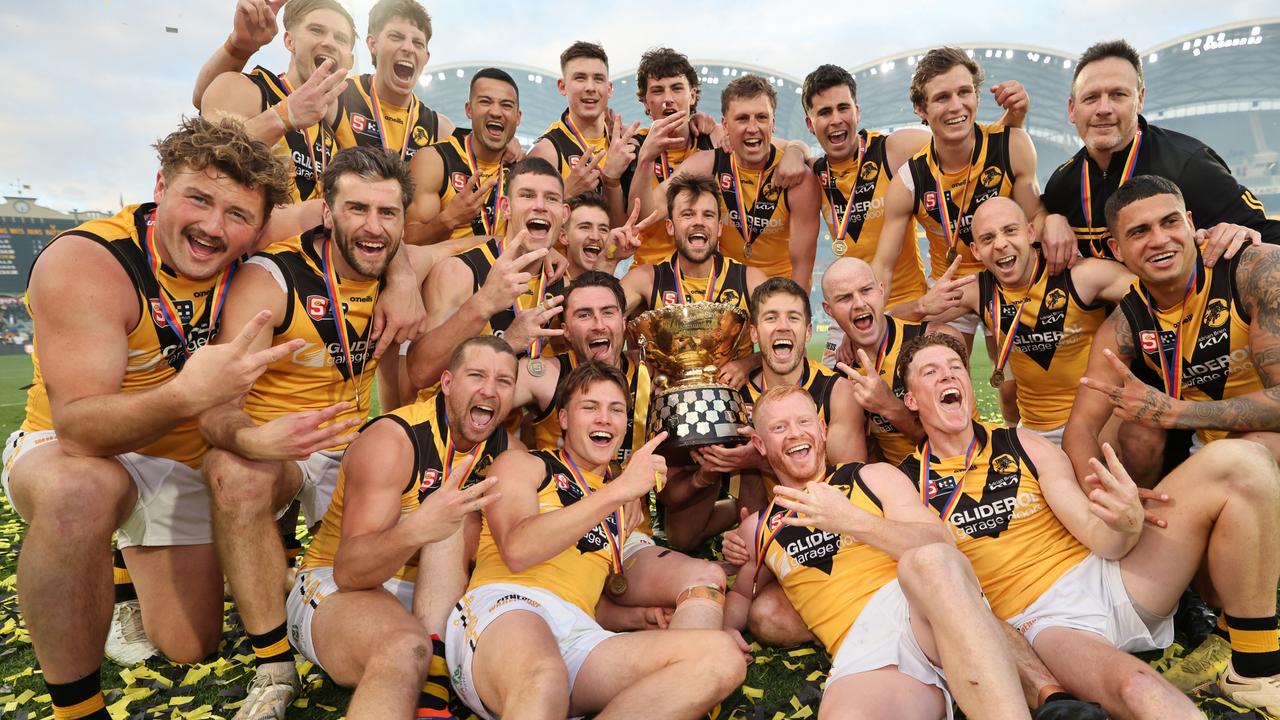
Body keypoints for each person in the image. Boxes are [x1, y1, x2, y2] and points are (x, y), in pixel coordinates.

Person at [0, 117, 296, 720]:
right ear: (160, 186)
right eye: (198, 198)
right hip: (79, 445)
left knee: (192, 646)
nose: (214, 227)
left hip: (179, 457)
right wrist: (185, 396)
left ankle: (128, 573)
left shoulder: (253, 240)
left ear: (258, 226)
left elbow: (358, 218)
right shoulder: (89, 259)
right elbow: (80, 428)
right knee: (83, 490)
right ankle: (78, 710)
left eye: (237, 215)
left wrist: (397, 274)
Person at [197, 146, 458, 716]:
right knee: (230, 472)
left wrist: (406, 273)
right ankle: (272, 662)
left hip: (354, 451)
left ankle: (301, 582)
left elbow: (459, 248)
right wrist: (252, 440)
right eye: (357, 209)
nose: (373, 225)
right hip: (281, 449)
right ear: (328, 213)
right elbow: (215, 410)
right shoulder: (272, 278)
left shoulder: (393, 259)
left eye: (387, 213)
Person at [898, 331, 1280, 717]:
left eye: (954, 368)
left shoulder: (1022, 444)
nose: (947, 376)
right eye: (930, 372)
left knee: (1243, 461)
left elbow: (1102, 539)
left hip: (1109, 574)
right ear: (911, 399)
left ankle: (1253, 667)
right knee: (1140, 689)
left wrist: (1126, 523)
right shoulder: (905, 484)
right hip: (1046, 621)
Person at [445, 363, 748, 720]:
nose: (604, 419)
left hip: (580, 631)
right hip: (507, 607)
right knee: (545, 679)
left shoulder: (620, 503)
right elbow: (517, 549)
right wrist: (619, 490)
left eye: (616, 410)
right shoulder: (525, 465)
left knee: (721, 657)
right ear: (563, 419)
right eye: (590, 408)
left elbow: (588, 590)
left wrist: (638, 617)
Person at [723, 386, 1031, 720]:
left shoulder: (870, 476)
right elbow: (741, 595)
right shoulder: (760, 527)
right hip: (863, 650)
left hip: (921, 613)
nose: (795, 433)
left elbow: (940, 543)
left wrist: (852, 520)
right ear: (760, 445)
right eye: (779, 428)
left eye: (803, 421)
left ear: (822, 430)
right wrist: (724, 630)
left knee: (931, 560)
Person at [286, 336, 513, 717]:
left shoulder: (508, 452)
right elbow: (350, 570)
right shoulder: (392, 441)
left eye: (504, 381)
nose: (489, 389)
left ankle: (436, 673)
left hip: (441, 595)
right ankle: (432, 681)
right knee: (406, 648)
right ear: (447, 383)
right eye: (476, 375)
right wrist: (418, 527)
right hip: (342, 584)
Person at [509, 273, 731, 633]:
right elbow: (474, 403)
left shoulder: (655, 378)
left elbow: (672, 490)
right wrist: (517, 453)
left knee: (707, 579)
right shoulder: (546, 376)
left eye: (608, 312)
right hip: (560, 529)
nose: (598, 324)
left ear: (624, 323)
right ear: (565, 329)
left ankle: (690, 661)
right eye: (583, 315)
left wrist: (703, 474)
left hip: (625, 539)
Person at [800, 63, 1028, 366]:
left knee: (979, 382)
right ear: (810, 123)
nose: (836, 119)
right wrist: (794, 149)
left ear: (857, 111)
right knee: (837, 394)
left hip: (915, 300)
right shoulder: (812, 174)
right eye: (824, 113)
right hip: (858, 308)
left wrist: (1014, 117)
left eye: (843, 108)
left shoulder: (894, 149)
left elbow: (967, 145)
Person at [1064, 175, 1280, 485]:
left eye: (1170, 222)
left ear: (1190, 224)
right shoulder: (1125, 324)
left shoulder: (1258, 271)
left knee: (1248, 452)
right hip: (1209, 455)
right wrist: (1106, 491)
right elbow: (1081, 428)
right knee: (1135, 450)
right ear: (1117, 249)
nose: (1159, 239)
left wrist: (1176, 412)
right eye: (1139, 232)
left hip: (1267, 443)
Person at [872, 48, 1072, 348]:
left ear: (977, 97)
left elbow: (1035, 217)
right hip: (952, 288)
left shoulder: (1013, 146)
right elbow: (883, 267)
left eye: (964, 92)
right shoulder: (908, 181)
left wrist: (1053, 219)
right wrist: (867, 316)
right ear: (920, 109)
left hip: (1009, 276)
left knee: (1012, 386)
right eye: (942, 98)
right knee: (939, 358)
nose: (956, 106)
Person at [910, 197, 1132, 445]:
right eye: (988, 238)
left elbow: (1157, 292)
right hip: (1035, 433)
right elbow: (890, 325)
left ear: (1030, 232)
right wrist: (921, 306)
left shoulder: (1082, 275)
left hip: (1097, 423)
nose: (1001, 244)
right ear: (975, 251)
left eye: (1010, 231)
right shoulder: (976, 290)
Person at [1041, 39, 1278, 260]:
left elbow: (1266, 235)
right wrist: (1050, 219)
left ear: (1140, 100)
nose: (1104, 109)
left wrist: (1243, 233)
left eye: (1118, 95)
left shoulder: (1188, 164)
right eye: (1091, 98)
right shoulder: (1062, 185)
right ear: (1072, 109)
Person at [410, 158, 569, 390]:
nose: (540, 206)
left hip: (514, 423)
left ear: (564, 213)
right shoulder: (460, 273)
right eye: (527, 195)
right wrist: (486, 308)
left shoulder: (560, 282)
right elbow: (419, 372)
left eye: (551, 199)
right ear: (506, 207)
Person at [659, 75, 822, 289]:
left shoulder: (797, 178)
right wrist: (643, 159)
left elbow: (802, 264)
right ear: (725, 125)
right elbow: (652, 205)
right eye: (742, 118)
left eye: (762, 118)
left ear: (773, 124)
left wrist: (795, 311)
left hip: (778, 292)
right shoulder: (708, 164)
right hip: (725, 292)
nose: (752, 128)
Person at [197, 0, 356, 203]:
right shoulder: (246, 89)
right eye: (316, 30)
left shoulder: (342, 126)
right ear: (290, 41)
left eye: (340, 38)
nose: (329, 42)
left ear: (350, 60)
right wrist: (282, 117)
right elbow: (202, 166)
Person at [821, 257, 961, 465]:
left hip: (962, 472)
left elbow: (956, 443)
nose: (859, 304)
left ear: (881, 291)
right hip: (897, 484)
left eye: (866, 290)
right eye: (844, 298)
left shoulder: (936, 342)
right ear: (829, 310)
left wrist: (888, 405)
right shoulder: (842, 371)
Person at [405, 68, 522, 245]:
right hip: (448, 270)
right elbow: (408, 242)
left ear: (517, 117)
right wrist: (449, 219)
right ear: (469, 110)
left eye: (506, 105)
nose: (496, 112)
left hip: (508, 270)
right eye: (485, 102)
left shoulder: (522, 166)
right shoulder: (434, 161)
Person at [626, 47, 718, 265]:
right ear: (646, 102)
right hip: (650, 272)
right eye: (657, 91)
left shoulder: (712, 140)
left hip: (706, 274)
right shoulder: (631, 148)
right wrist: (646, 159)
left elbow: (774, 147)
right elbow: (638, 221)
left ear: (692, 95)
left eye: (676, 88)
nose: (668, 99)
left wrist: (797, 149)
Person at [530, 41, 635, 224]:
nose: (590, 87)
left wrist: (611, 181)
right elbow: (526, 223)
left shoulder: (622, 142)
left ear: (609, 89)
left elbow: (617, 227)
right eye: (580, 78)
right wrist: (567, 193)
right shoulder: (547, 151)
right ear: (562, 86)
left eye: (598, 79)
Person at [335, 0, 455, 160]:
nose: (408, 48)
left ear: (426, 58)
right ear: (373, 44)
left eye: (418, 43)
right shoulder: (338, 97)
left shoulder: (441, 129)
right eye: (396, 37)